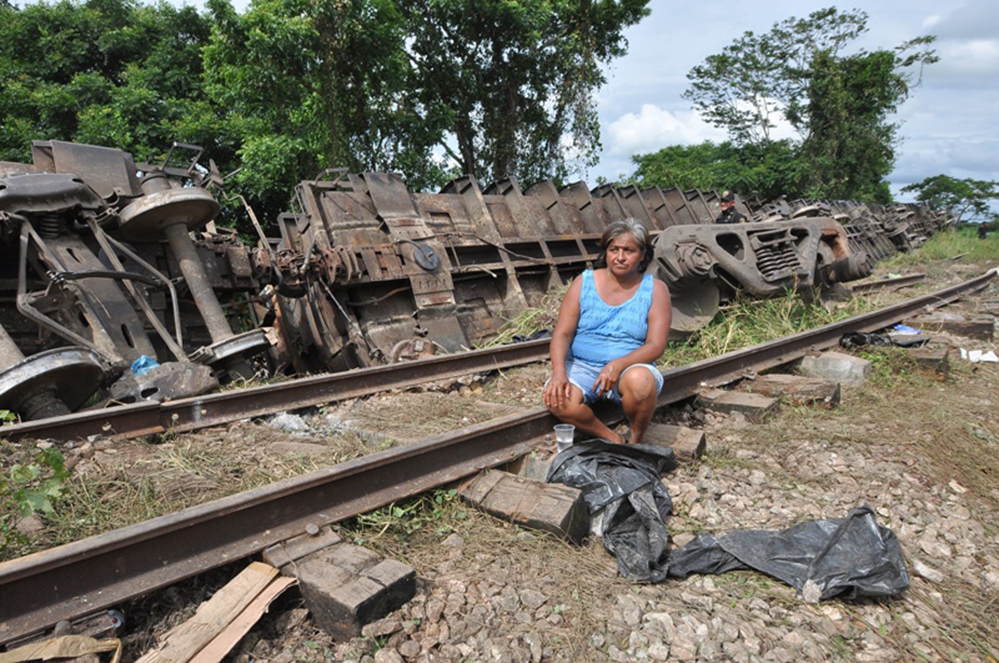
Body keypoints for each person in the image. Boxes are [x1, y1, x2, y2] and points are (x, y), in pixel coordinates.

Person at [543, 218, 672, 445]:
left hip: (629, 368)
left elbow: (655, 345)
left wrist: (617, 365)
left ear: (643, 255)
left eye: (629, 250)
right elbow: (562, 334)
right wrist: (559, 373)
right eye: (614, 250)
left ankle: (635, 438)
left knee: (641, 383)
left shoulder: (655, 290)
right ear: (607, 252)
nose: (620, 257)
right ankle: (612, 438)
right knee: (558, 400)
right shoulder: (583, 283)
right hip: (582, 366)